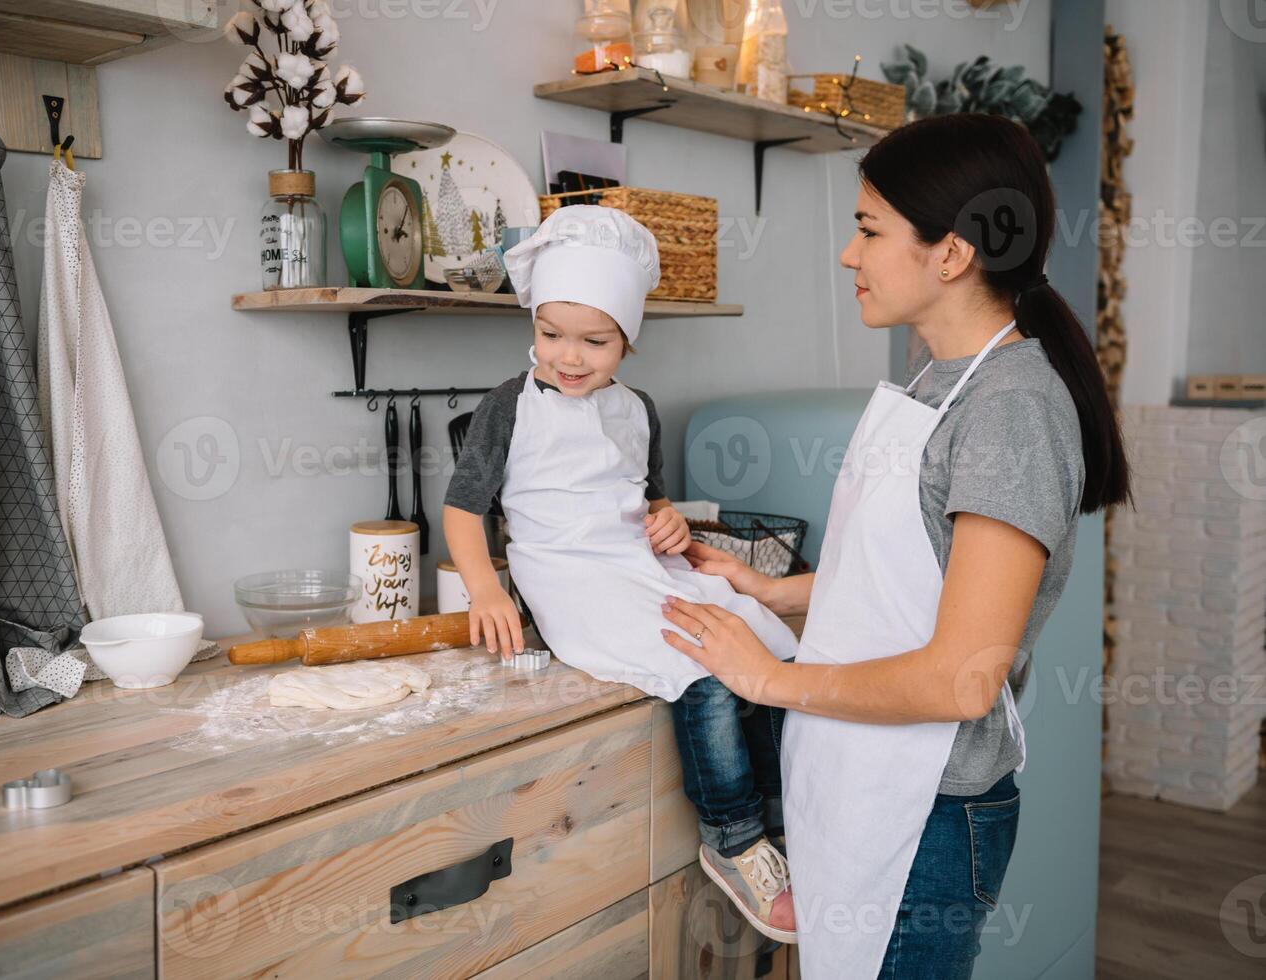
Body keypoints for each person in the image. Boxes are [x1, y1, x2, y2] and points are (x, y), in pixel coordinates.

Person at [659, 113, 1132, 978]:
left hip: (930, 818)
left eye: (869, 229)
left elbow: (962, 672)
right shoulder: (934, 381)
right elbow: (910, 578)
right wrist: (774, 593)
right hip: (860, 785)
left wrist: (768, 679)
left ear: (950, 253)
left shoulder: (1010, 411)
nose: (850, 255)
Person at [442, 205, 801, 940]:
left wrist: (667, 520)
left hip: (638, 564)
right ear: (532, 326)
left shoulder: (638, 409)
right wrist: (484, 586)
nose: (569, 357)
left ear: (628, 342)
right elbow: (462, 507)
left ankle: (781, 822)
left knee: (754, 639)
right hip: (568, 575)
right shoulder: (508, 407)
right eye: (551, 335)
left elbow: (649, 499)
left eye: (594, 341)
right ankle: (734, 840)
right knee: (697, 664)